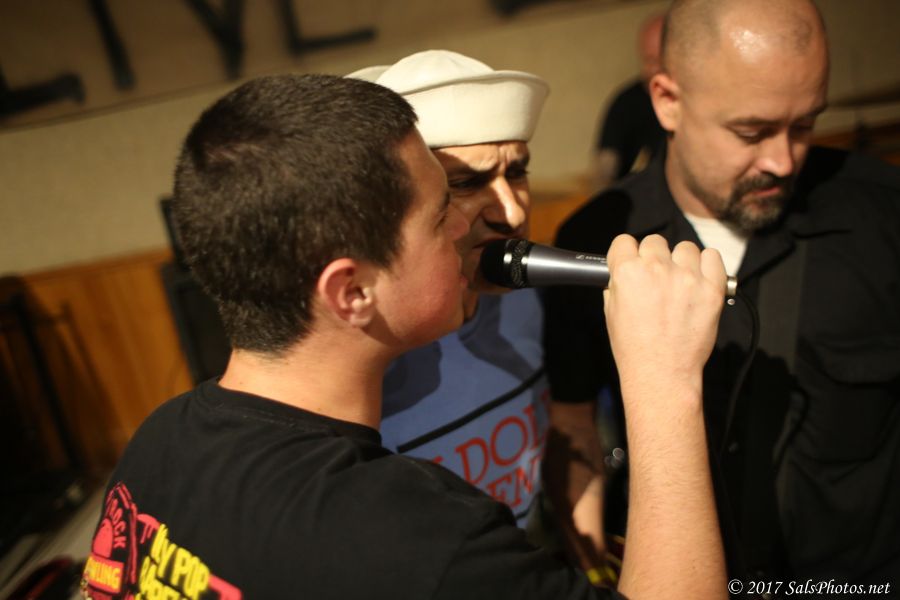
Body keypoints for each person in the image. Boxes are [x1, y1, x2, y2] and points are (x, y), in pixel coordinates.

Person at [81, 73, 728, 599]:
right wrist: (664, 380)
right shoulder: (414, 539)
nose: (479, 225)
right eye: (442, 213)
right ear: (352, 292)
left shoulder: (159, 442)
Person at [546, 0, 900, 588]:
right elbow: (574, 421)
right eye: (750, 132)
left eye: (805, 124)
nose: (782, 160)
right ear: (668, 100)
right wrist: (591, 566)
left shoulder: (884, 214)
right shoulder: (594, 238)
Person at [350, 50, 609, 578]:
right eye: (467, 183)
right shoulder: (367, 342)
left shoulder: (528, 300)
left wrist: (595, 572)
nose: (512, 212)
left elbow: (570, 434)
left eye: (518, 171)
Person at [588, 13, 667, 193]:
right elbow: (602, 174)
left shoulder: (695, 98)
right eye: (650, 60)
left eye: (662, 60)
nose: (657, 69)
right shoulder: (625, 104)